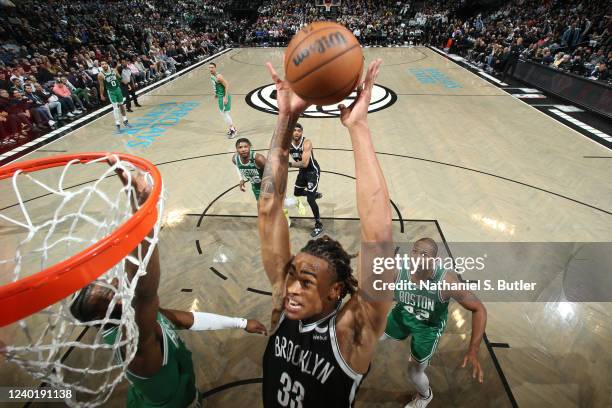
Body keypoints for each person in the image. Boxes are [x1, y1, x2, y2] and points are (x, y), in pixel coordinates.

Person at [70, 160, 268, 407]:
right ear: (107, 314)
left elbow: (182, 319)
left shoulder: (138, 318)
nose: (114, 283)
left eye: (108, 284)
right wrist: (142, 212)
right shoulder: (133, 343)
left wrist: (240, 323)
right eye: (109, 294)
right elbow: (144, 291)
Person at [258, 59, 397, 407]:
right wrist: (286, 118)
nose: (289, 287)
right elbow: (268, 208)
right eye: (292, 276)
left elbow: (379, 240)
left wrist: (358, 127)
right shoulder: (283, 303)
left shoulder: (352, 332)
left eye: (305, 282)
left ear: (336, 290)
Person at [381, 238, 487, 408]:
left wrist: (473, 350)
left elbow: (479, 309)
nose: (417, 257)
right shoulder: (398, 269)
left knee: (414, 373)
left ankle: (425, 396)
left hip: (428, 328)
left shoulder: (446, 282)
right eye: (415, 251)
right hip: (402, 315)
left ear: (434, 260)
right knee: (368, 337)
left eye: (424, 254)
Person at [233, 137, 305, 225]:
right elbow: (236, 165)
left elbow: (272, 172)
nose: (243, 149)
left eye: (245, 147)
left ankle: (296, 202)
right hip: (256, 186)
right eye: (240, 147)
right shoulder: (235, 159)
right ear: (236, 149)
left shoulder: (258, 159)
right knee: (265, 207)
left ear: (250, 147)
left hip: (271, 184)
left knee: (282, 203)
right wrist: (241, 179)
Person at [288, 122, 324, 237]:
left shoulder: (306, 143)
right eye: (294, 130)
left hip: (312, 172)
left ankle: (318, 225)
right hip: (302, 172)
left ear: (302, 132)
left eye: (299, 131)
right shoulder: (287, 143)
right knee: (297, 193)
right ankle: (314, 193)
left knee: (310, 199)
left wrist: (287, 164)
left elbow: (304, 163)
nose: (297, 132)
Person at [98, 61, 130, 132]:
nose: (103, 65)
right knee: (115, 108)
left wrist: (127, 84)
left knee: (121, 105)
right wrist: (101, 94)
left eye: (105, 64)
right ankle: (117, 124)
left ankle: (125, 120)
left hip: (118, 90)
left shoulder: (114, 70)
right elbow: (102, 86)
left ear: (107, 64)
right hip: (111, 92)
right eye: (102, 64)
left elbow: (120, 78)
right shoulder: (100, 75)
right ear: (101, 66)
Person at [209, 62, 237, 138]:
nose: (210, 69)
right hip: (220, 96)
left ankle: (233, 130)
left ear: (215, 68)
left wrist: (225, 97)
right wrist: (216, 93)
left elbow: (227, 85)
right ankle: (232, 128)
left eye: (212, 67)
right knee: (223, 113)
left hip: (223, 97)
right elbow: (217, 86)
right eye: (209, 67)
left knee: (225, 113)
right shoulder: (212, 76)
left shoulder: (218, 77)